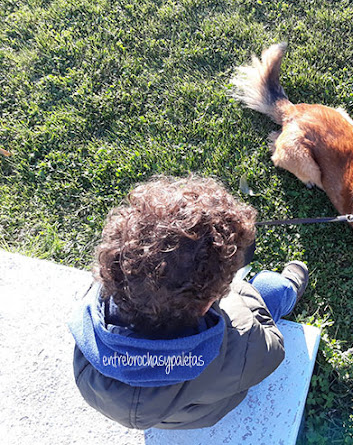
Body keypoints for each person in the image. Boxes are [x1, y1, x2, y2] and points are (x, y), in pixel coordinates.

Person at [68, 175, 308, 429]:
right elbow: (273, 349)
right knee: (272, 288)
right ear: (207, 304)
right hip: (206, 411)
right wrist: (237, 293)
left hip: (166, 417)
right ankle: (289, 288)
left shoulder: (89, 330)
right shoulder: (243, 340)